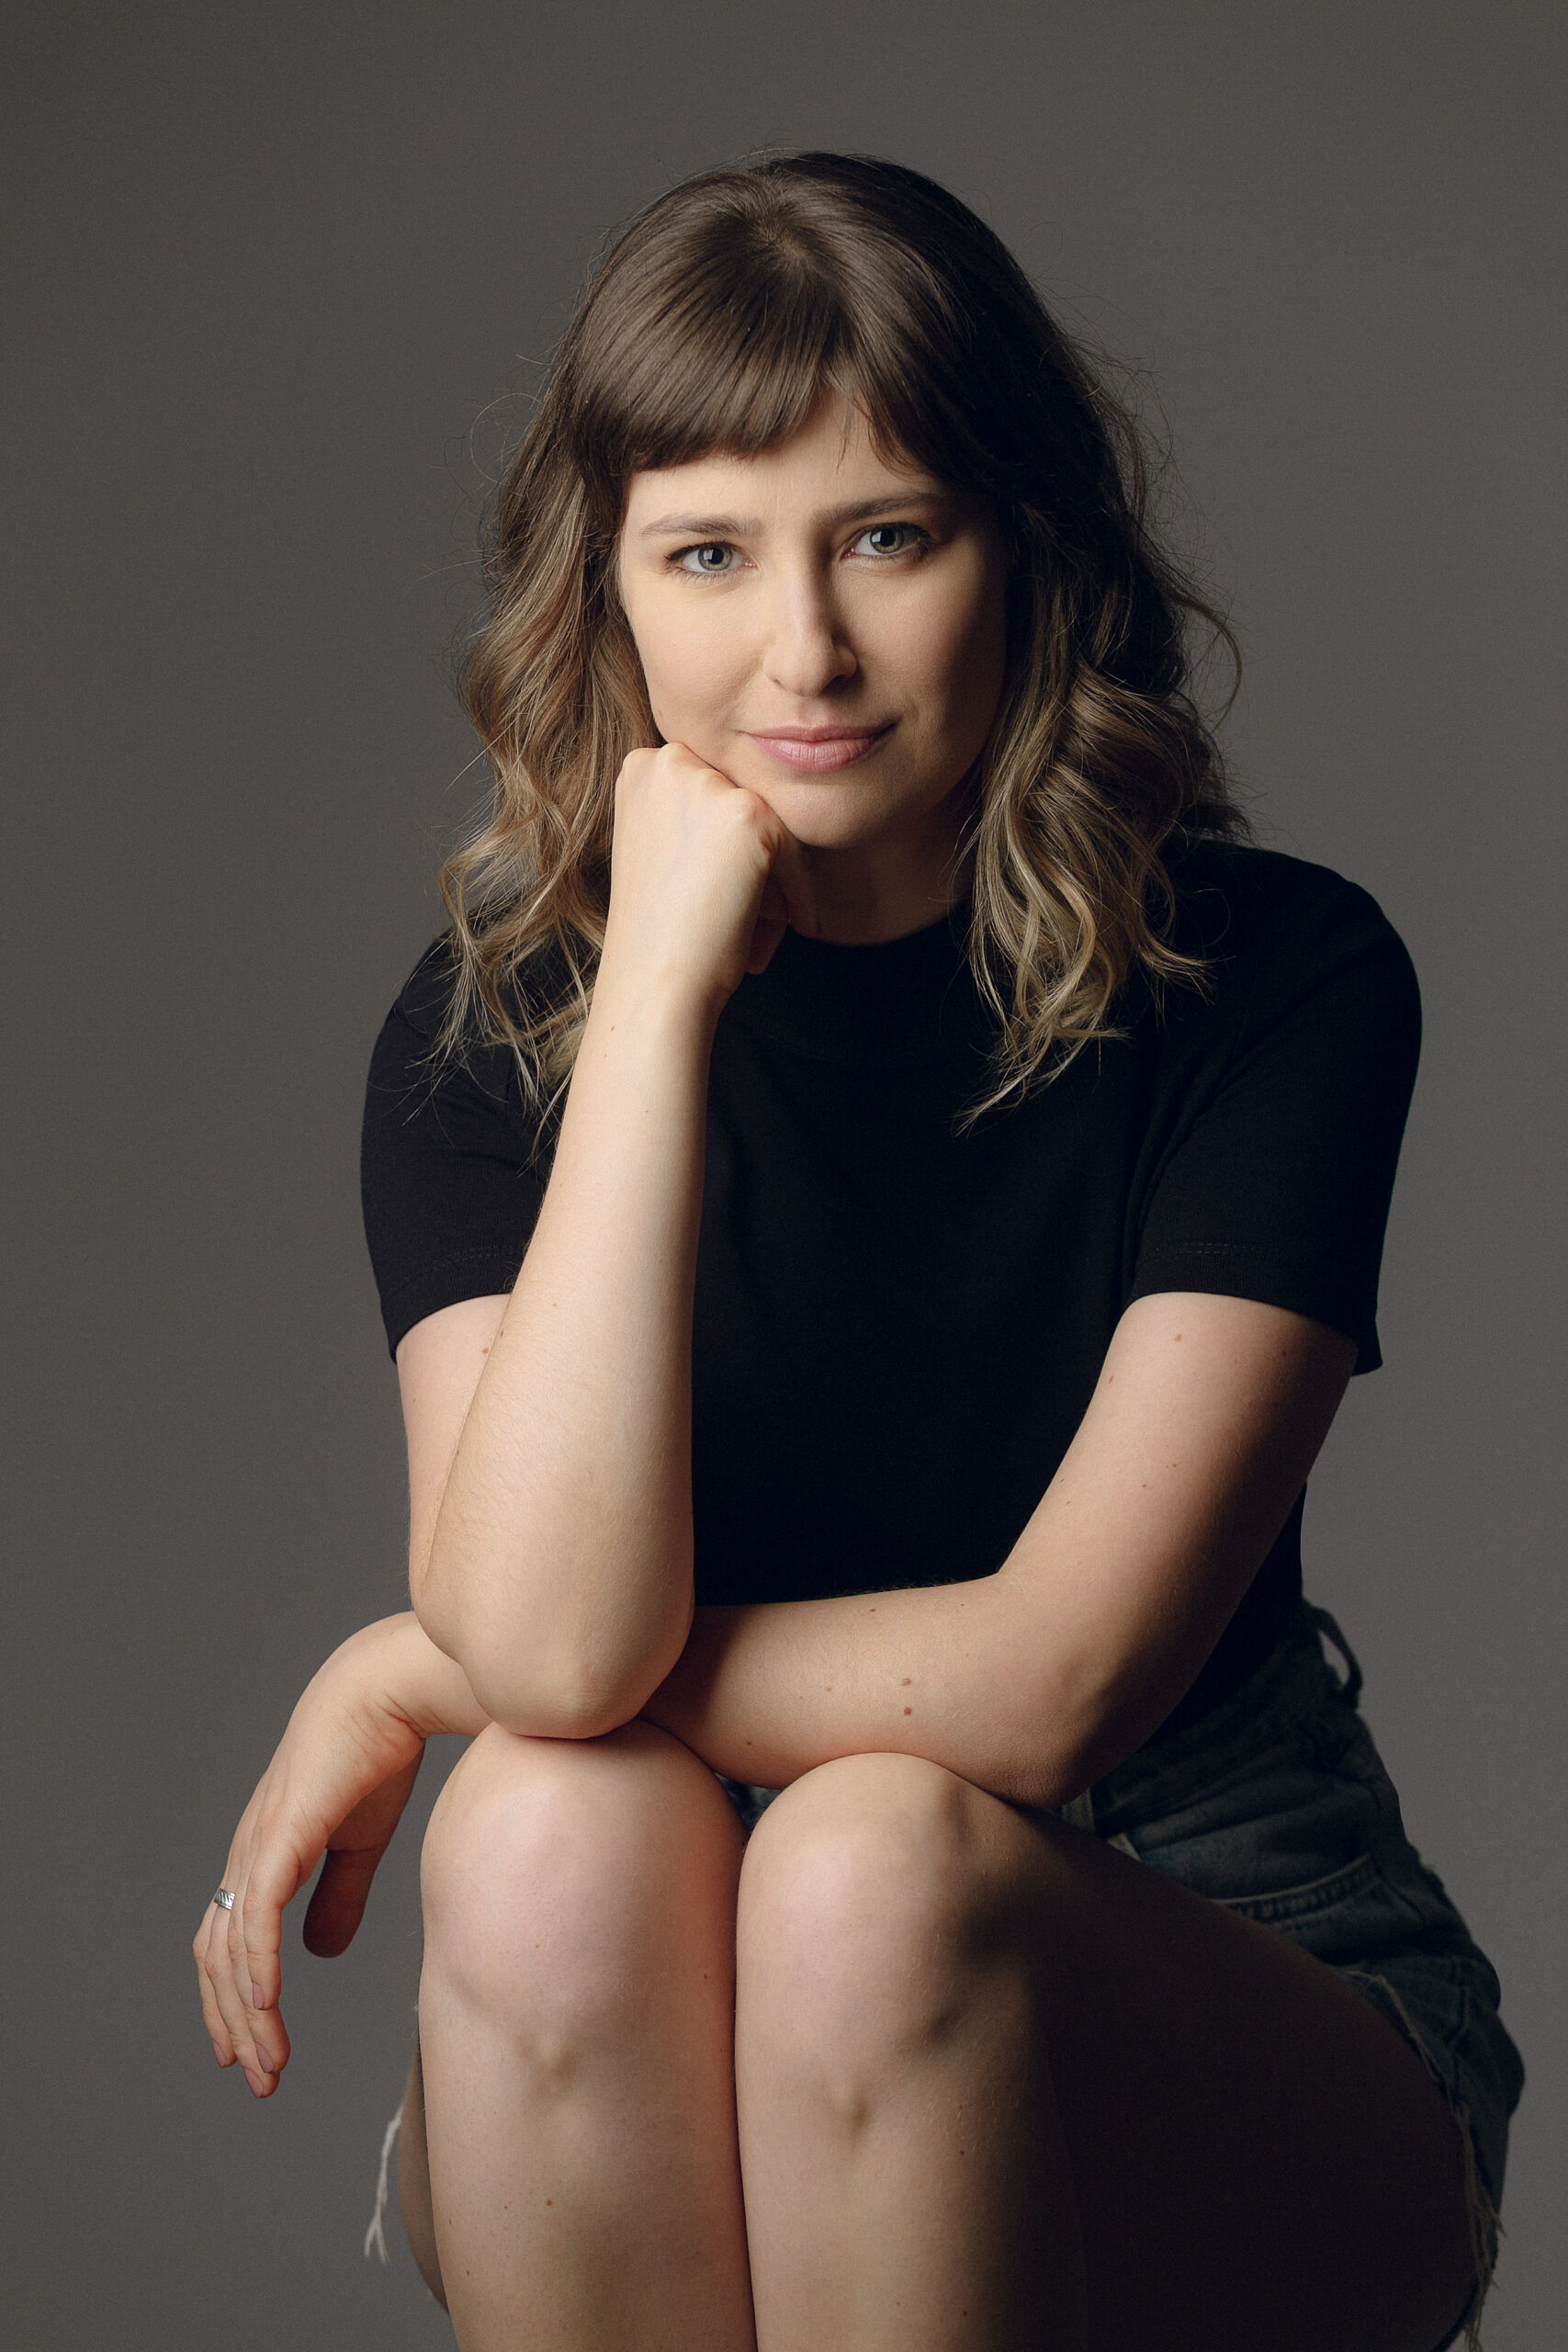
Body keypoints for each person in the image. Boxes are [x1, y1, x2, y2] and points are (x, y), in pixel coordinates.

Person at [192, 154, 1523, 2352]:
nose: (798, 649)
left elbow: (1051, 1682)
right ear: (607, 590)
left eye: (885, 537)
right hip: (636, 1982)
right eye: (707, 553)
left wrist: (416, 1667)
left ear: (1021, 548)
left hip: (1207, 1938)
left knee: (863, 1861)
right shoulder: (484, 1039)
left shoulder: (1271, 983)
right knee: (536, 1827)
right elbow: (549, 1646)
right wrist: (651, 1001)